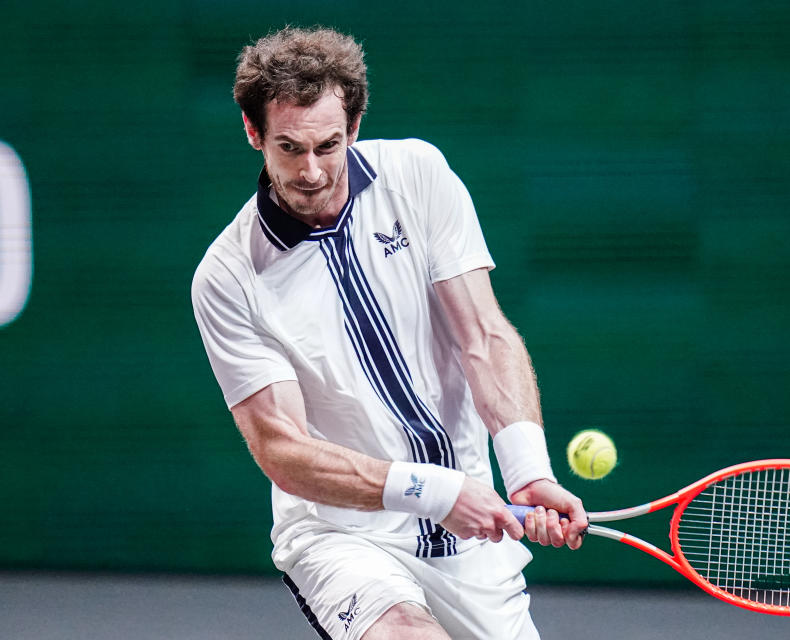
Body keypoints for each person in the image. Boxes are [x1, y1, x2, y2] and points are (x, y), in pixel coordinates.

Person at [191, 26, 588, 640]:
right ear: (253, 134)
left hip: (471, 543)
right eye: (289, 148)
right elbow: (283, 450)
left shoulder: (418, 175)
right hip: (341, 534)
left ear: (353, 127)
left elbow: (482, 336)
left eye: (328, 144)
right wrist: (432, 491)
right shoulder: (227, 277)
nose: (313, 171)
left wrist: (528, 468)